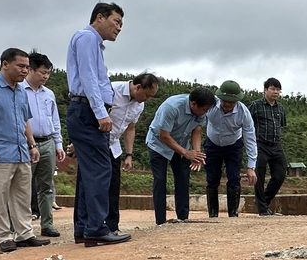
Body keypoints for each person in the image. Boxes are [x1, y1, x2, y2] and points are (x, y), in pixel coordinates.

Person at [66, 3, 131, 247]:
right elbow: (88, 78)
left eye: (121, 24)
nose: (119, 28)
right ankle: (96, 227)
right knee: (100, 170)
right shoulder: (86, 38)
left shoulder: (92, 42)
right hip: (88, 111)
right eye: (116, 22)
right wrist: (101, 112)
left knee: (89, 172)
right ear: (99, 17)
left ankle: (84, 228)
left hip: (85, 110)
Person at [0, 48, 47, 253]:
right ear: (5, 64)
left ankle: (25, 234)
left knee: (22, 195)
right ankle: (4, 236)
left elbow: (25, 120)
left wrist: (32, 145)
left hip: (21, 150)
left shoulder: (21, 91)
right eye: (20, 66)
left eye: (27, 67)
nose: (24, 71)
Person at [146, 87, 216, 225]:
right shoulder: (171, 107)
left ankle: (183, 219)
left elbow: (197, 131)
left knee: (183, 180)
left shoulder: (201, 109)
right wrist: (186, 153)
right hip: (158, 144)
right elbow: (164, 136)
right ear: (193, 104)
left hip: (181, 143)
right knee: (160, 180)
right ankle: (160, 222)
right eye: (204, 110)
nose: (205, 113)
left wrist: (196, 153)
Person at [101, 73, 160, 233]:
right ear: (138, 87)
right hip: (97, 142)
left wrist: (129, 155)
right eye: (147, 95)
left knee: (113, 187)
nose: (147, 99)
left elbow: (130, 128)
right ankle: (89, 226)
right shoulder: (112, 90)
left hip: (114, 146)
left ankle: (112, 227)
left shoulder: (139, 105)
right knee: (94, 185)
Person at [23, 51, 66, 238]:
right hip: (25, 144)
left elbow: (54, 120)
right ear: (30, 70)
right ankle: (22, 227)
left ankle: (47, 224)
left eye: (48, 73)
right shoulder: (18, 91)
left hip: (47, 142)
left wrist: (58, 144)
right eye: (42, 72)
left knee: (46, 185)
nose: (46, 76)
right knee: (22, 186)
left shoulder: (49, 94)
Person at [204, 81, 258, 218]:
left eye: (231, 102)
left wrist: (251, 166)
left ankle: (233, 214)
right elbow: (197, 121)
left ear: (237, 101)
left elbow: (250, 138)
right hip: (212, 144)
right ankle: (213, 214)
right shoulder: (209, 106)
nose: (227, 105)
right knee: (212, 179)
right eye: (224, 101)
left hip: (233, 146)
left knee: (234, 178)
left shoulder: (244, 113)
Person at [248, 78, 287, 216]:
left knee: (280, 174)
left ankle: (262, 200)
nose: (275, 92)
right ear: (265, 90)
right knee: (259, 176)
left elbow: (281, 125)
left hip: (276, 145)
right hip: (260, 144)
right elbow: (247, 125)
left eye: (278, 89)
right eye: (272, 89)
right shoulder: (255, 105)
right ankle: (263, 209)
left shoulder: (280, 108)